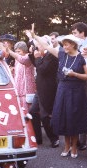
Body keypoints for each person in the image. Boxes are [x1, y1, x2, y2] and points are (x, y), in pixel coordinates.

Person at [31, 25, 87, 158]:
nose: (64, 47)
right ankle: (66, 145)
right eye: (64, 45)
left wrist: (75, 74)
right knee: (63, 118)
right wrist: (35, 36)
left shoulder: (81, 58)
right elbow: (47, 45)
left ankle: (74, 146)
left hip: (76, 91)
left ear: (73, 45)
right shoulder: (61, 54)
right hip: (62, 89)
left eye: (67, 45)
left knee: (73, 118)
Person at [25, 31, 59, 148]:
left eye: (38, 45)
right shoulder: (41, 55)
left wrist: (37, 58)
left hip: (48, 90)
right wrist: (32, 54)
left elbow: (42, 70)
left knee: (45, 116)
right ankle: (38, 139)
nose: (37, 47)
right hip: (39, 89)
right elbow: (36, 64)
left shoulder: (51, 56)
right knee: (32, 112)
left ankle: (54, 138)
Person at [6, 41, 36, 111]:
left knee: (27, 110)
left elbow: (22, 60)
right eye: (16, 52)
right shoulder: (17, 60)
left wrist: (9, 51)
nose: (17, 54)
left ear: (25, 50)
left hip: (27, 90)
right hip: (18, 88)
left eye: (19, 51)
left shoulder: (28, 57)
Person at [71, 22, 87, 151]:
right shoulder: (76, 45)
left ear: (82, 33)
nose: (73, 35)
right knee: (81, 108)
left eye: (75, 32)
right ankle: (81, 141)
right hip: (78, 80)